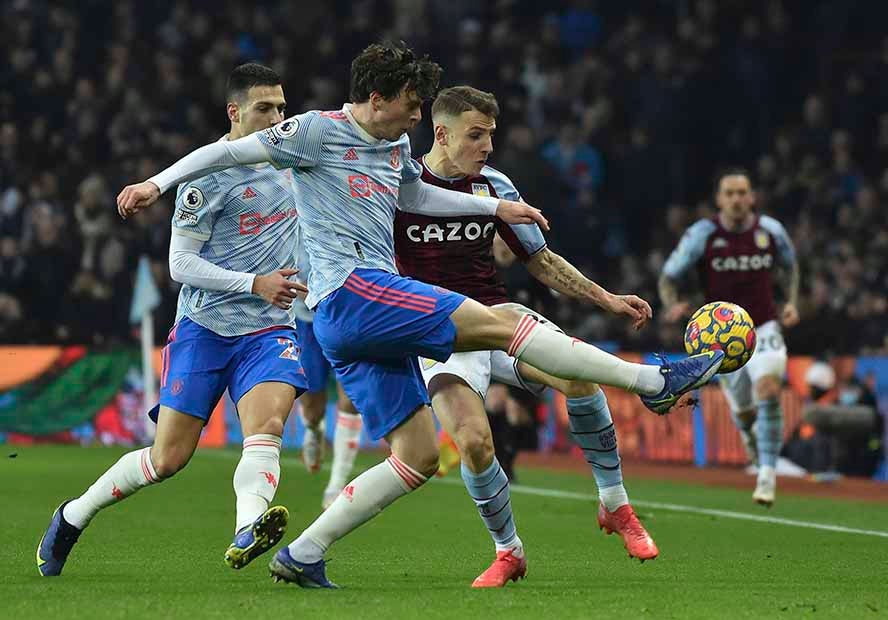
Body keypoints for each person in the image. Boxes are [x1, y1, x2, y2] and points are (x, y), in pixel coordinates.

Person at [116, 41, 724, 588]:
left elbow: (414, 195)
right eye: (411, 104)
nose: (418, 117)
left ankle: (303, 553)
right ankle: (653, 380)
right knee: (505, 321)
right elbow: (220, 156)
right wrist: (154, 184)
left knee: (418, 455)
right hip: (354, 290)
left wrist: (494, 213)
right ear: (376, 99)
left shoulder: (395, 144)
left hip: (351, 324)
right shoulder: (311, 133)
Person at [37, 64, 310, 576]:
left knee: (267, 426)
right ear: (235, 113)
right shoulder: (203, 181)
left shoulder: (292, 159)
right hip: (204, 328)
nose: (278, 118)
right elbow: (179, 266)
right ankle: (74, 515)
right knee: (168, 459)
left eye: (281, 107)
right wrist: (255, 282)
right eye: (264, 109)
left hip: (269, 327)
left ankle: (247, 526)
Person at [393, 85, 659, 587]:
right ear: (442, 134)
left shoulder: (493, 185)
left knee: (579, 379)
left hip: (497, 318)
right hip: (437, 331)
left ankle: (615, 505)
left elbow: (539, 259)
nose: (487, 146)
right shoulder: (399, 186)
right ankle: (508, 551)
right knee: (473, 443)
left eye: (491, 135)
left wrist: (606, 299)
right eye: (476, 135)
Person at [659, 168, 799, 506]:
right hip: (721, 339)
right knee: (746, 413)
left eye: (742, 193)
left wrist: (791, 302)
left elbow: (791, 266)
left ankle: (766, 475)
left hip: (763, 327)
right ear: (720, 199)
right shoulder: (703, 235)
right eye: (730, 193)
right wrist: (671, 304)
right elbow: (669, 276)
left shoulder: (771, 231)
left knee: (768, 388)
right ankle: (751, 436)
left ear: (752, 198)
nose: (737, 199)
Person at [291, 227, 364, 509]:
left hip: (344, 315)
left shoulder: (341, 206)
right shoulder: (287, 205)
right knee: (312, 407)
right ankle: (314, 429)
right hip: (306, 321)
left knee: (351, 399)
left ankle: (337, 484)